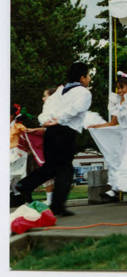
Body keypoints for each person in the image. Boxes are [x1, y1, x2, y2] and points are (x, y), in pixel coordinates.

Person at [13, 62, 92, 217]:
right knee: (65, 170)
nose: (89, 79)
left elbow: (45, 111)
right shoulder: (83, 93)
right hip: (65, 132)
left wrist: (46, 121)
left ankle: (24, 185)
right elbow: (76, 109)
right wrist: (59, 119)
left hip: (50, 132)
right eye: (88, 75)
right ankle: (57, 206)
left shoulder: (59, 91)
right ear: (82, 78)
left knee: (51, 167)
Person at [88, 71, 127, 201]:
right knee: (120, 159)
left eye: (122, 87)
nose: (120, 90)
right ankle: (116, 188)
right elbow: (113, 122)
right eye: (118, 87)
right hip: (125, 134)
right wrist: (96, 126)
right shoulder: (117, 101)